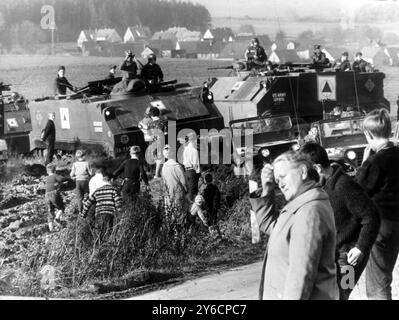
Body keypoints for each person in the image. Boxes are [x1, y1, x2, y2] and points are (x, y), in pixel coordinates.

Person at [249, 151, 338, 300]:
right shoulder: (300, 206)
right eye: (277, 181)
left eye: (283, 177)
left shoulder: (309, 212)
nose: (280, 184)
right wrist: (267, 190)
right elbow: (270, 226)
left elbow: (300, 276)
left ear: (302, 171)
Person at [300, 142, 380, 300]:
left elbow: (371, 216)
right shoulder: (319, 187)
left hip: (348, 257)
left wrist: (360, 248)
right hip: (331, 254)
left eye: (306, 174)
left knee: (341, 295)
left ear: (317, 169)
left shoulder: (344, 186)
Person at [354, 108, 399, 300]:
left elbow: (356, 192)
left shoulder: (374, 161)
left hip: (382, 225)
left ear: (368, 134)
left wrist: (364, 163)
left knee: (379, 283)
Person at [81, 171, 122, 242]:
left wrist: (83, 215)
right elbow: (118, 203)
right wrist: (121, 214)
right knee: (108, 235)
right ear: (111, 180)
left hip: (98, 215)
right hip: (109, 215)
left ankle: (97, 248)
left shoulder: (97, 191)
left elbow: (88, 203)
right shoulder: (114, 190)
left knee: (98, 236)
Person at [161, 144, 187, 210]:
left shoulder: (164, 166)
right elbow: (183, 181)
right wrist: (187, 190)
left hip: (168, 192)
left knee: (169, 209)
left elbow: (164, 180)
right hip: (178, 192)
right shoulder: (177, 166)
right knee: (179, 211)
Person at [45, 164, 69, 232]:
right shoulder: (55, 176)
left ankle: (51, 228)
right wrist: (68, 178)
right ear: (55, 170)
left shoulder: (47, 178)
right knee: (61, 208)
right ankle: (57, 218)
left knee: (50, 211)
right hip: (54, 194)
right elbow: (61, 179)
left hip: (46, 195)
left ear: (47, 171)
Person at [147, 106, 168, 179]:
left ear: (151, 115)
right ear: (158, 114)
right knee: (161, 160)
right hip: (160, 143)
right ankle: (157, 175)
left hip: (152, 143)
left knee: (157, 160)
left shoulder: (149, 124)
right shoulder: (162, 123)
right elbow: (165, 134)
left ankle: (160, 174)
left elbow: (149, 135)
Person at [199, 173, 222, 237]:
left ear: (205, 180)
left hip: (209, 207)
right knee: (215, 220)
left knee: (210, 222)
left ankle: (212, 235)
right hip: (215, 207)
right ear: (212, 179)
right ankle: (217, 234)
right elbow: (218, 197)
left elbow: (205, 200)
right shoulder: (215, 187)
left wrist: (204, 208)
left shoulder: (206, 189)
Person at [70, 150, 92, 214]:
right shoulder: (86, 163)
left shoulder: (75, 164)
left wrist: (74, 177)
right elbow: (90, 173)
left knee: (79, 197)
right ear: (83, 156)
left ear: (77, 157)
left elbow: (71, 174)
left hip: (78, 181)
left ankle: (80, 211)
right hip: (85, 181)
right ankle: (87, 208)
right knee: (87, 193)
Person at [182, 135, 201, 202]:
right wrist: (198, 173)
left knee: (189, 189)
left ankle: (189, 205)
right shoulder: (194, 150)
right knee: (193, 190)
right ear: (194, 140)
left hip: (186, 171)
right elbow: (195, 164)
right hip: (192, 171)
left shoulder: (185, 149)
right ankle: (193, 207)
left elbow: (183, 161)